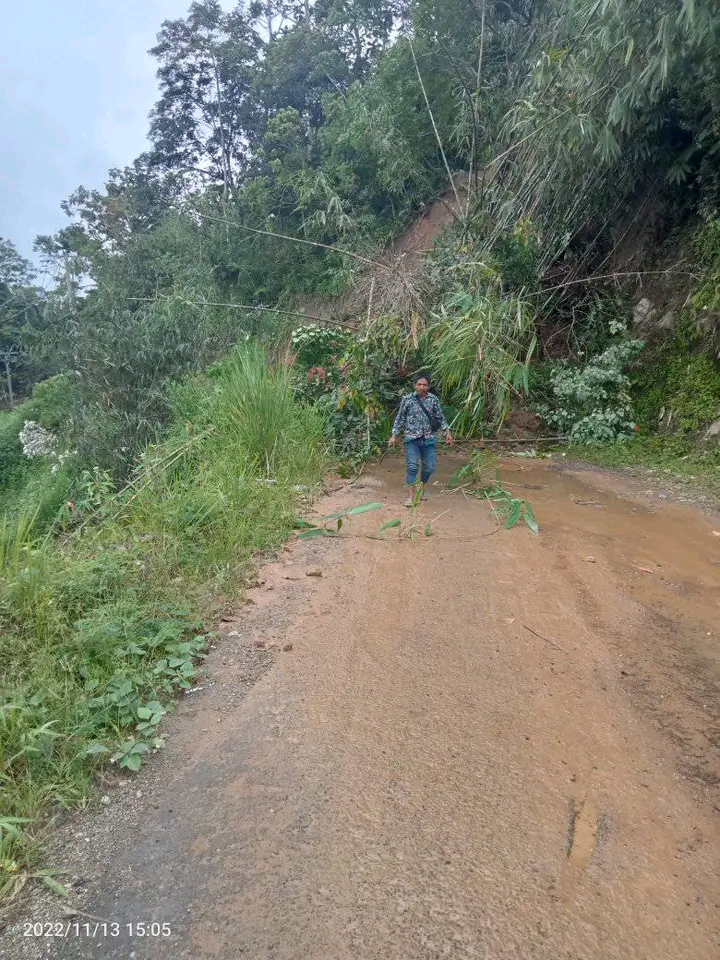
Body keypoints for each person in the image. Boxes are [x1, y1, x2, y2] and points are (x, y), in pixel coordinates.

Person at [389, 374, 454, 506]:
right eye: (419, 384)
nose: (422, 387)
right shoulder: (407, 399)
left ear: (429, 386)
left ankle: (422, 489)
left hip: (429, 439)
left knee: (429, 467)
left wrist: (447, 432)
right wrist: (394, 435)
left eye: (424, 385)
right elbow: (400, 418)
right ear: (415, 385)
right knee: (412, 466)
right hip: (412, 439)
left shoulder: (433, 400)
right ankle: (411, 497)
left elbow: (440, 417)